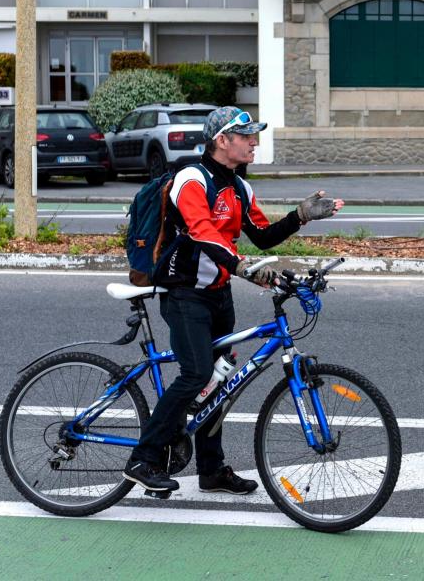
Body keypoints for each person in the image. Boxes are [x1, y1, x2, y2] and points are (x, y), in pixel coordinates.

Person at [123, 106, 344, 494]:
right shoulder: (191, 179)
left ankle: (211, 469)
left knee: (218, 382)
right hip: (183, 293)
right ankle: (143, 458)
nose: (254, 142)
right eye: (246, 136)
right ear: (222, 141)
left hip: (218, 295)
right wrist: (243, 267)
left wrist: (301, 215)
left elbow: (261, 236)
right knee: (195, 374)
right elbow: (202, 232)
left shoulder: (240, 188)